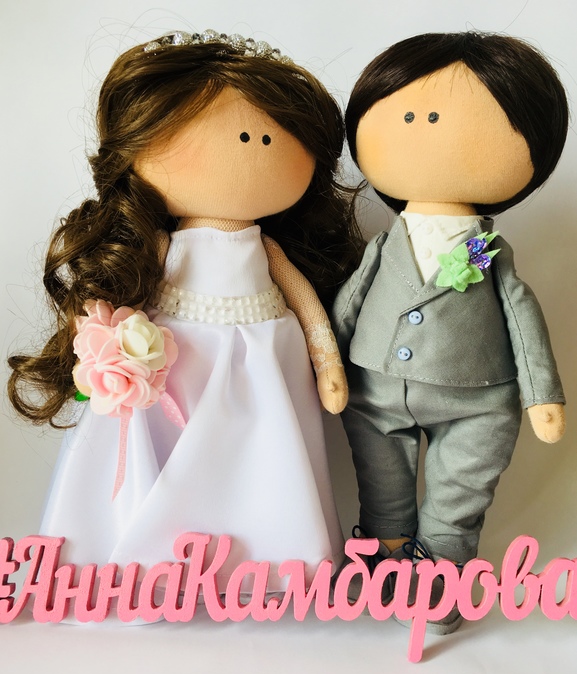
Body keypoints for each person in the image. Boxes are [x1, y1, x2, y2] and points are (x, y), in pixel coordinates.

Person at [8, 30, 362, 598]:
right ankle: (156, 560)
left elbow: (305, 304)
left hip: (266, 352)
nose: (251, 148)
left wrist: (327, 364)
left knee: (265, 452)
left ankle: (267, 557)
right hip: (176, 351)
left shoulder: (269, 250)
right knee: (168, 446)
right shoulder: (159, 246)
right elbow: (126, 291)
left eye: (271, 136)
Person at [333, 31, 568, 633]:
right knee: (380, 483)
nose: (424, 129)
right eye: (409, 116)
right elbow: (349, 304)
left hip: (479, 399)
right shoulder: (384, 246)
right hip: (375, 389)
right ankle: (385, 560)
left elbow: (521, 313)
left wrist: (542, 394)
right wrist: (327, 367)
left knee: (461, 491)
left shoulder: (491, 253)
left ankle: (440, 574)